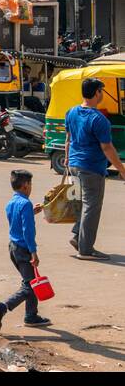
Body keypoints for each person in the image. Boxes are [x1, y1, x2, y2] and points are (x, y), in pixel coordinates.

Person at [68, 76, 125, 260]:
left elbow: (68, 140)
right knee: (91, 206)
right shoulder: (99, 119)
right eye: (101, 91)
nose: (102, 94)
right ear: (96, 93)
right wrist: (122, 170)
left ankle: (79, 237)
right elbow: (107, 147)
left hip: (75, 165)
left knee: (82, 204)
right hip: (91, 167)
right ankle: (86, 249)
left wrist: (68, 163)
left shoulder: (72, 112)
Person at [0, 168, 51, 333]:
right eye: (30, 184)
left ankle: (31, 315)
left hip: (13, 247)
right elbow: (27, 231)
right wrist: (34, 252)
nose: (31, 188)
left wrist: (32, 213)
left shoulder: (11, 203)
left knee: (29, 281)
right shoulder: (25, 203)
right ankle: (3, 307)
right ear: (25, 185)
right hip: (24, 249)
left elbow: (16, 222)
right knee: (30, 286)